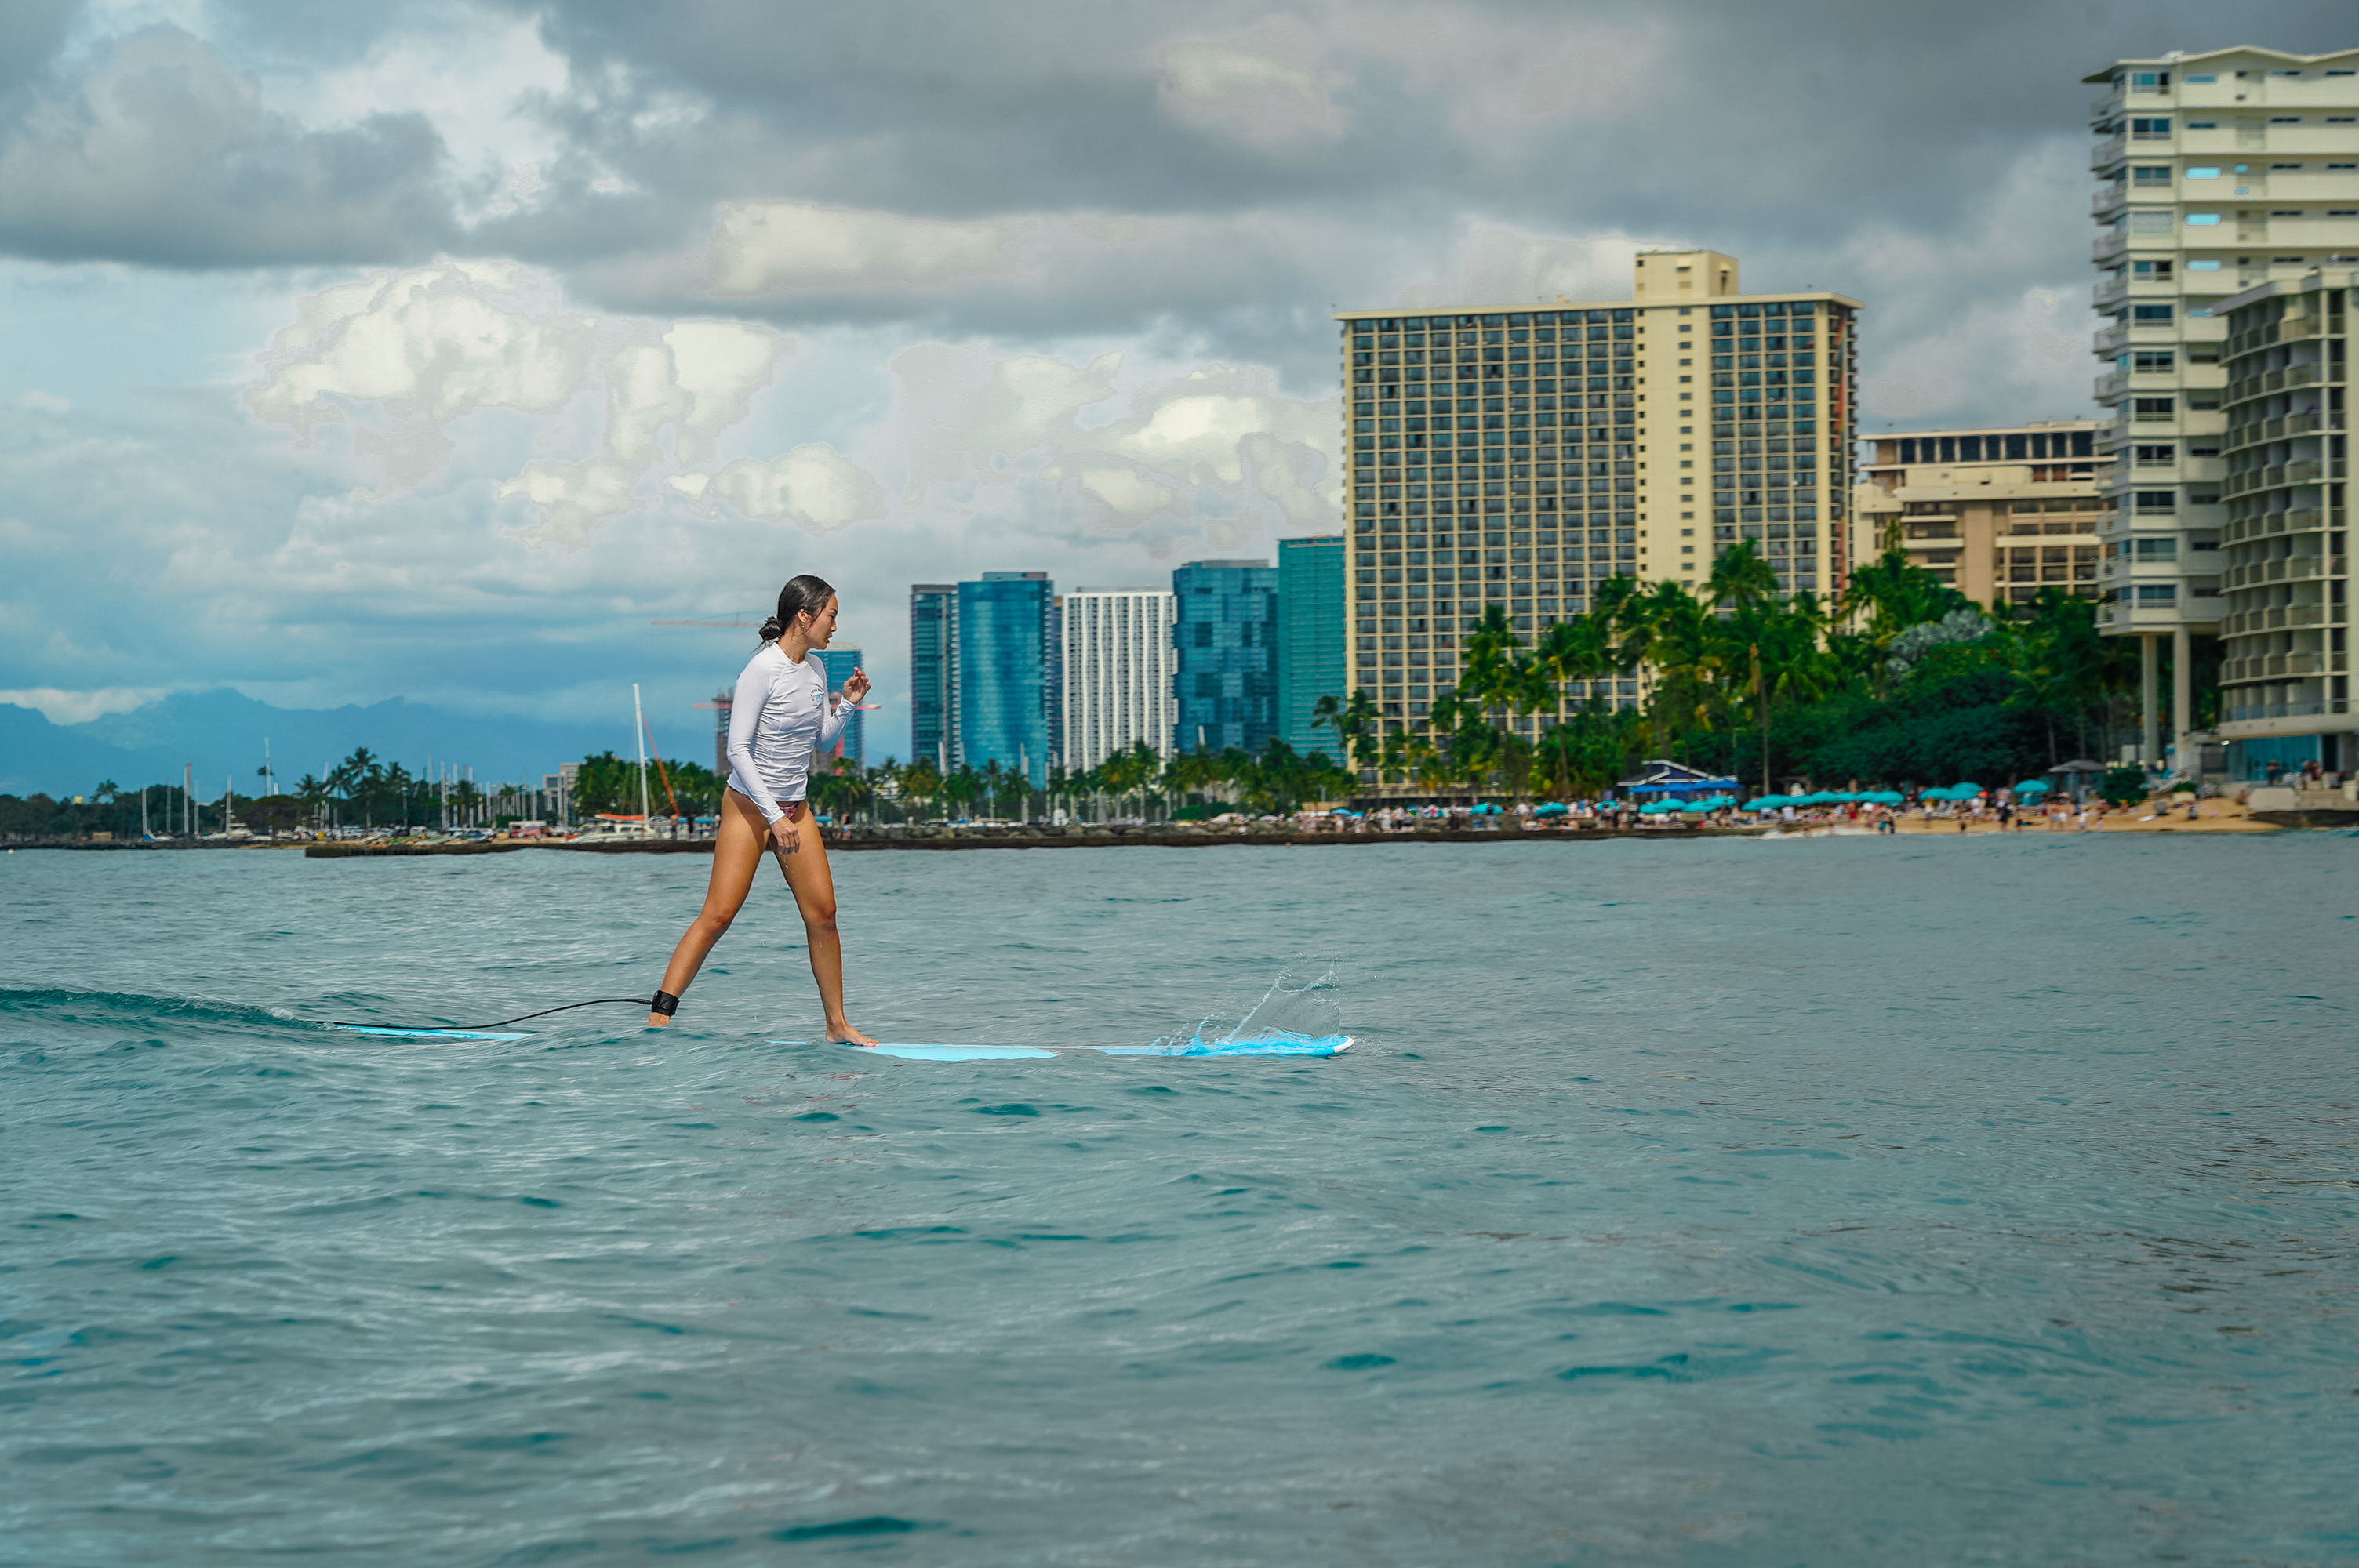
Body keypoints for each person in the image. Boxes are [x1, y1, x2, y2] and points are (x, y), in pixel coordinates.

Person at [647, 575, 876, 1043]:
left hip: (796, 807)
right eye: (831, 616)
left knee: (824, 916)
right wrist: (772, 815)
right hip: (750, 808)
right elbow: (737, 749)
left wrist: (847, 706)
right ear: (805, 616)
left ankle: (836, 1025)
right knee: (719, 914)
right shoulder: (761, 670)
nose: (835, 626)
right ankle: (659, 1016)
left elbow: (820, 740)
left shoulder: (816, 669)